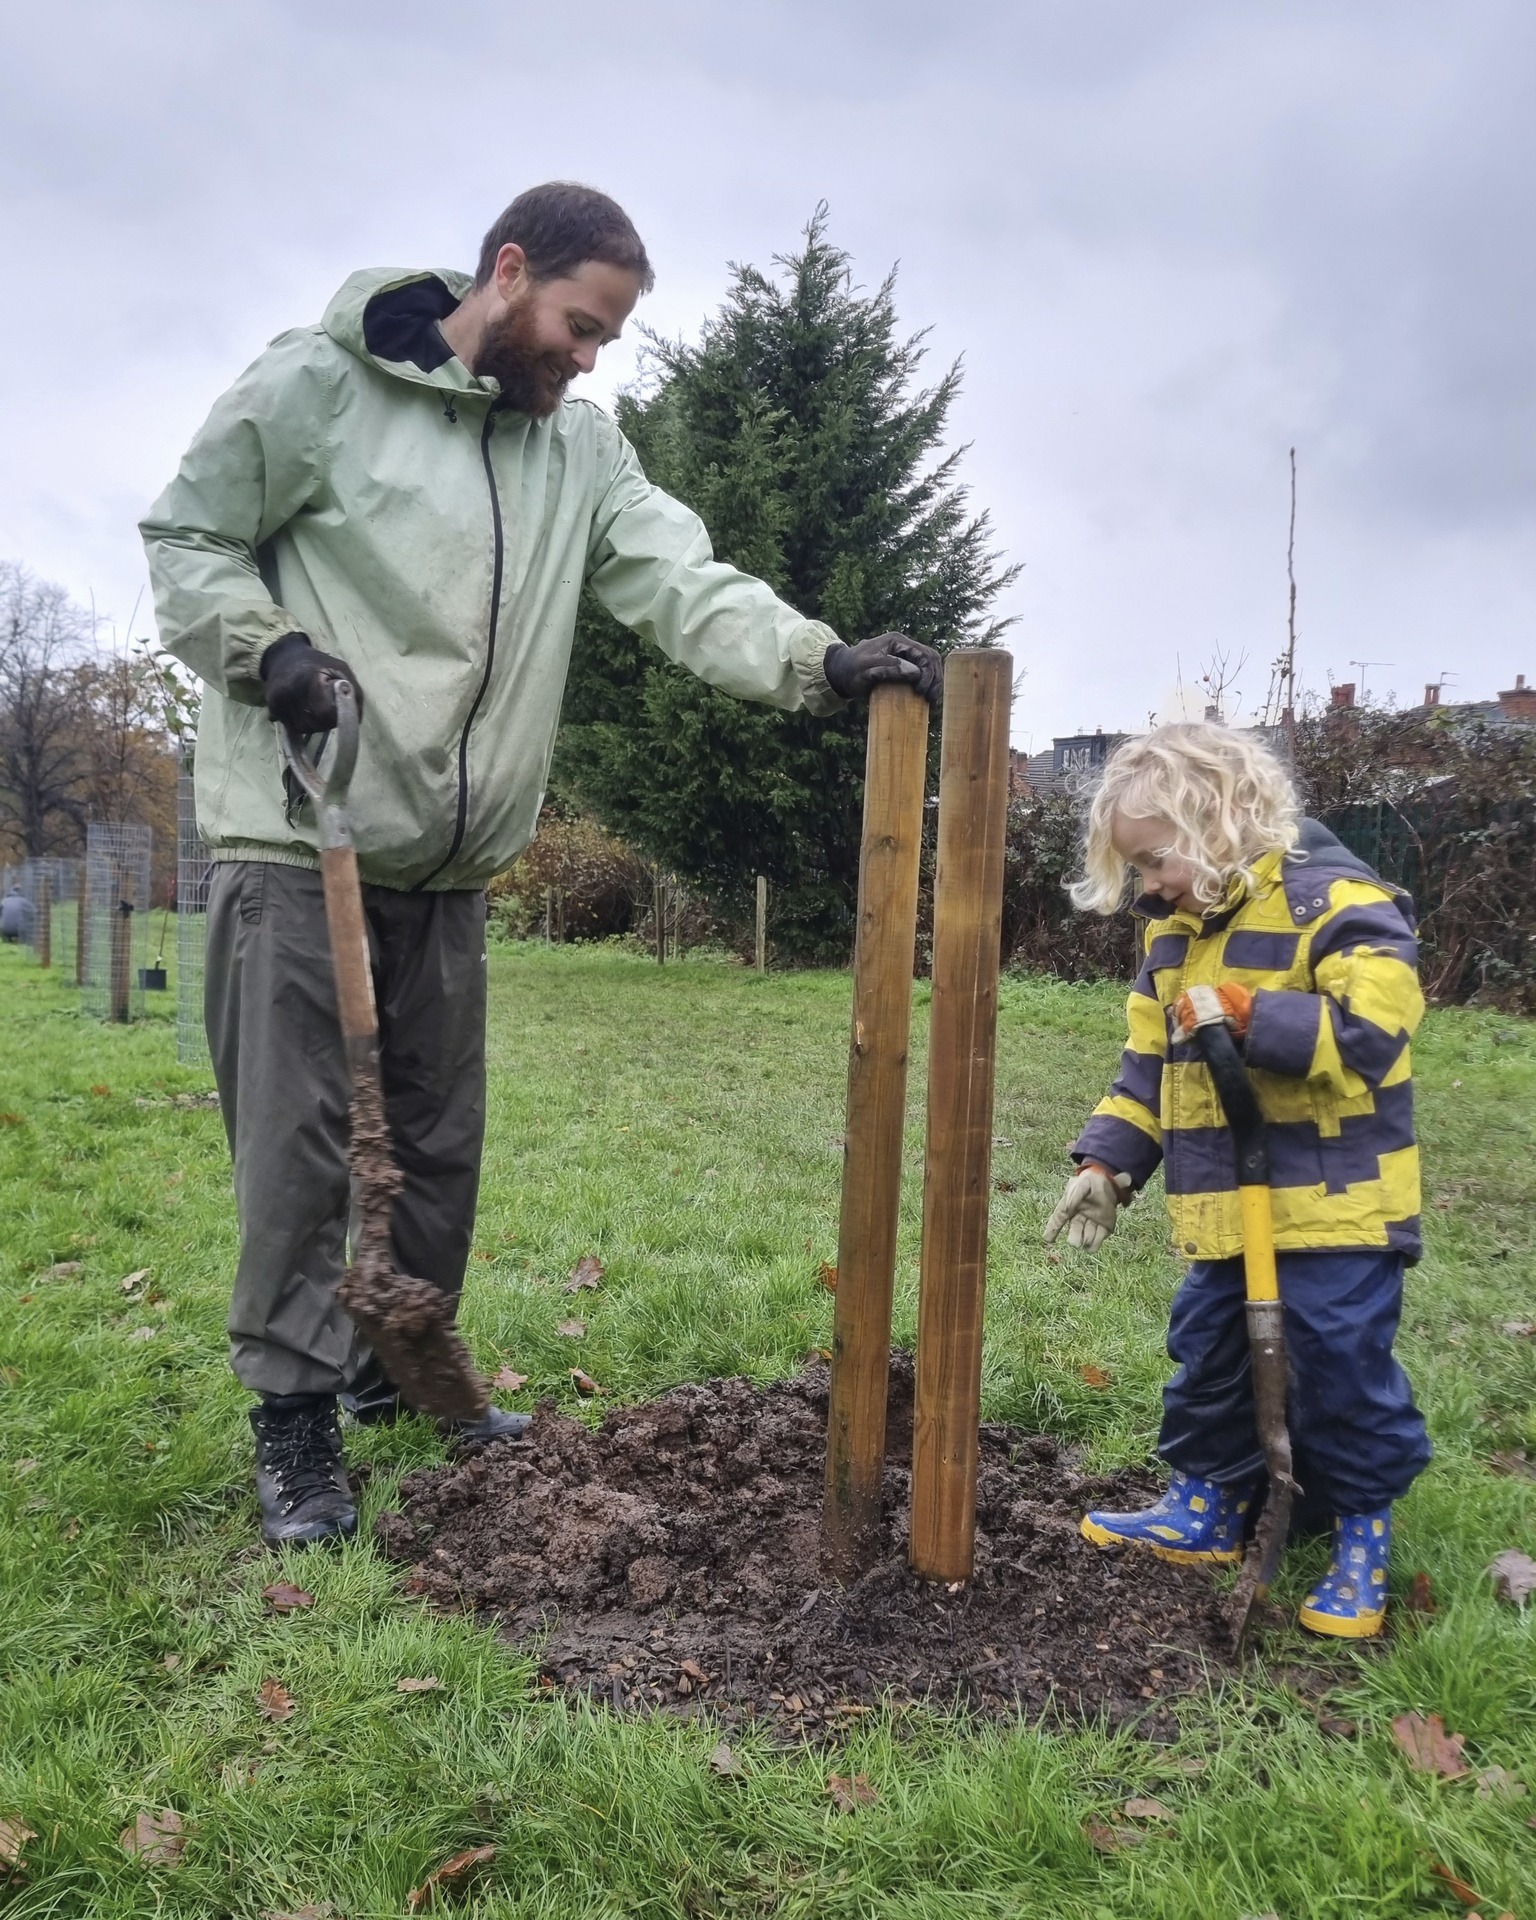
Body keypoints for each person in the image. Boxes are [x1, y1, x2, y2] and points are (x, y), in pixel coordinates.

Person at [141, 181, 940, 1550]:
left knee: (440, 1145)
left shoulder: (580, 456)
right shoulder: (319, 388)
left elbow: (681, 581)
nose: (589, 358)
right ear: (508, 275)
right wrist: (267, 650)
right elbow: (189, 534)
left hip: (450, 872)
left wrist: (821, 661)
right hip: (300, 837)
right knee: (302, 1153)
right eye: (581, 325)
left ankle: (398, 1379)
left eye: (607, 340)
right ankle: (293, 1425)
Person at [1044, 722, 1430, 1638]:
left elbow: (1375, 1031)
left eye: (1153, 860)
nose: (1149, 886)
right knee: (1209, 1353)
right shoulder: (1173, 941)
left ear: (1218, 815)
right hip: (1227, 1211)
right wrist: (1109, 1162)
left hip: (1339, 1208)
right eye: (1135, 871)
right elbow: (1149, 1068)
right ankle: (1206, 1504)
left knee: (1337, 1365)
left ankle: (1358, 1532)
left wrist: (1257, 1017)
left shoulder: (1336, 902)